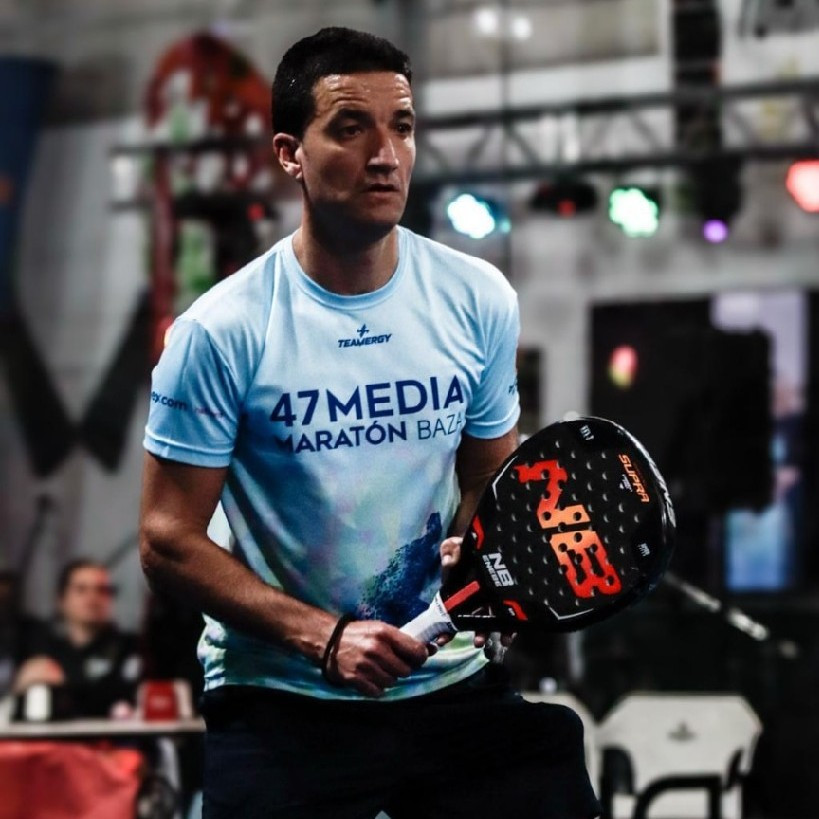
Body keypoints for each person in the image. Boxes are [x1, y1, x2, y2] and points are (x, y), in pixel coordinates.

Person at [139, 26, 600, 819]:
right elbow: (166, 538)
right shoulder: (220, 331)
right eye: (351, 127)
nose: (385, 154)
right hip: (280, 693)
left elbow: (487, 478)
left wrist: (477, 548)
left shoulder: (476, 298)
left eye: (402, 126)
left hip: (443, 678)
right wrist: (322, 636)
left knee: (551, 767)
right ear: (291, 153)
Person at [12, 559, 141, 719]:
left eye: (102, 590)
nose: (92, 598)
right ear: (61, 600)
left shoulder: (132, 647)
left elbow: (124, 698)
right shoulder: (44, 651)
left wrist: (63, 683)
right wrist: (20, 688)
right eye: (81, 589)